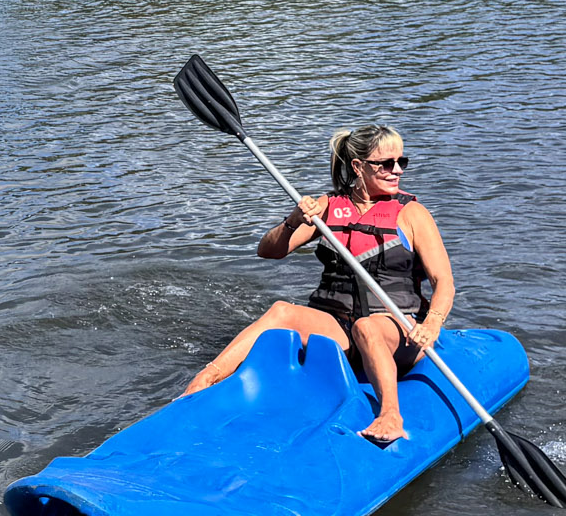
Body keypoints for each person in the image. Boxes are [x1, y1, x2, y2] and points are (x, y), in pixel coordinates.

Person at [179, 125, 455, 444]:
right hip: (337, 326)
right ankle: (205, 379)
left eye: (401, 162)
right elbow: (268, 251)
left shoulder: (412, 214)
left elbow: (443, 281)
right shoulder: (328, 207)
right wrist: (293, 220)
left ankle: (390, 414)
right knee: (282, 311)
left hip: (395, 329)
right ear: (358, 167)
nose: (397, 171)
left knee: (367, 327)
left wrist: (432, 324)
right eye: (386, 164)